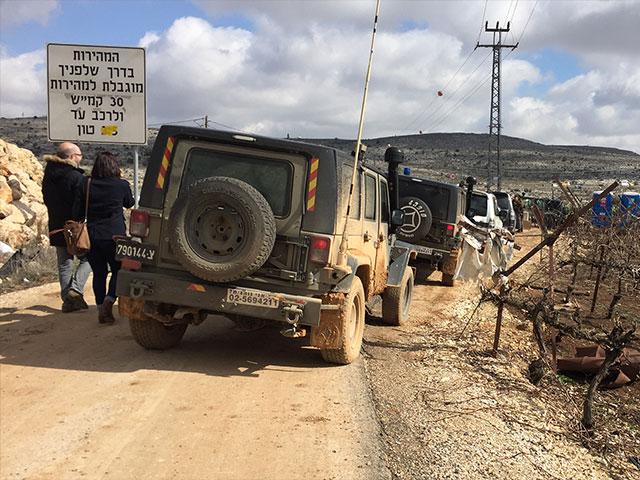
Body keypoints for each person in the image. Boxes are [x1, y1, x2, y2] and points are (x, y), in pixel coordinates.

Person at [75, 151, 134, 324]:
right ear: (114, 166)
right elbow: (129, 203)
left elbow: (77, 211)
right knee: (118, 270)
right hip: (115, 235)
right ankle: (110, 299)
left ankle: (101, 307)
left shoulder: (86, 183)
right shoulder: (121, 185)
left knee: (99, 273)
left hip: (92, 235)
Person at [42, 142, 91, 312]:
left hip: (55, 224)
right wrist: (79, 221)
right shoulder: (75, 177)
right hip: (74, 227)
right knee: (89, 258)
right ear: (71, 157)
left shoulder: (48, 175)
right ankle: (75, 290)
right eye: (79, 156)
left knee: (64, 263)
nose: (81, 158)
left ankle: (68, 302)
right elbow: (79, 203)